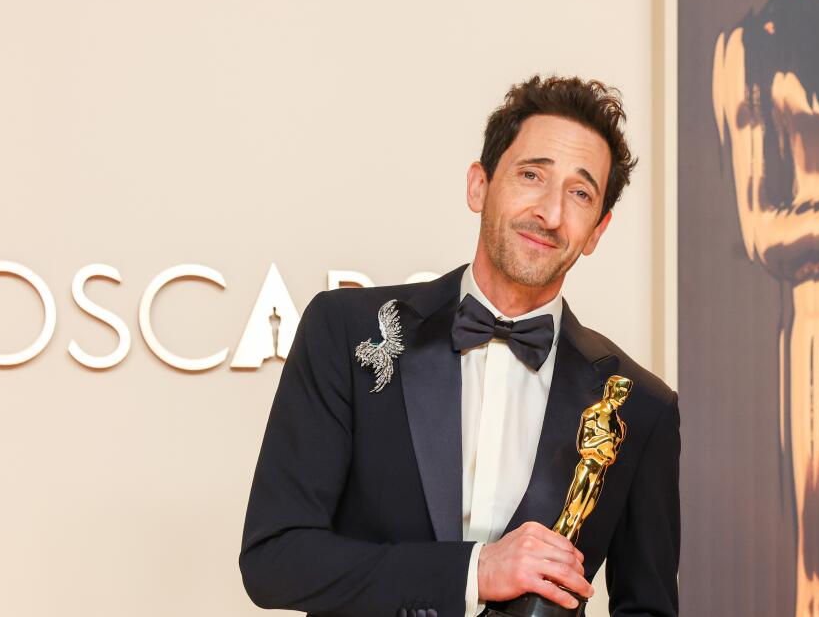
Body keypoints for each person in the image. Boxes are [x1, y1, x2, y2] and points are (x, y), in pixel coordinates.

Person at [239, 75, 680, 617]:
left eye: (580, 193)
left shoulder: (640, 407)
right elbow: (275, 559)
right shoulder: (345, 329)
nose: (551, 213)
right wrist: (474, 572)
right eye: (532, 175)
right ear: (479, 186)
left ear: (597, 231)